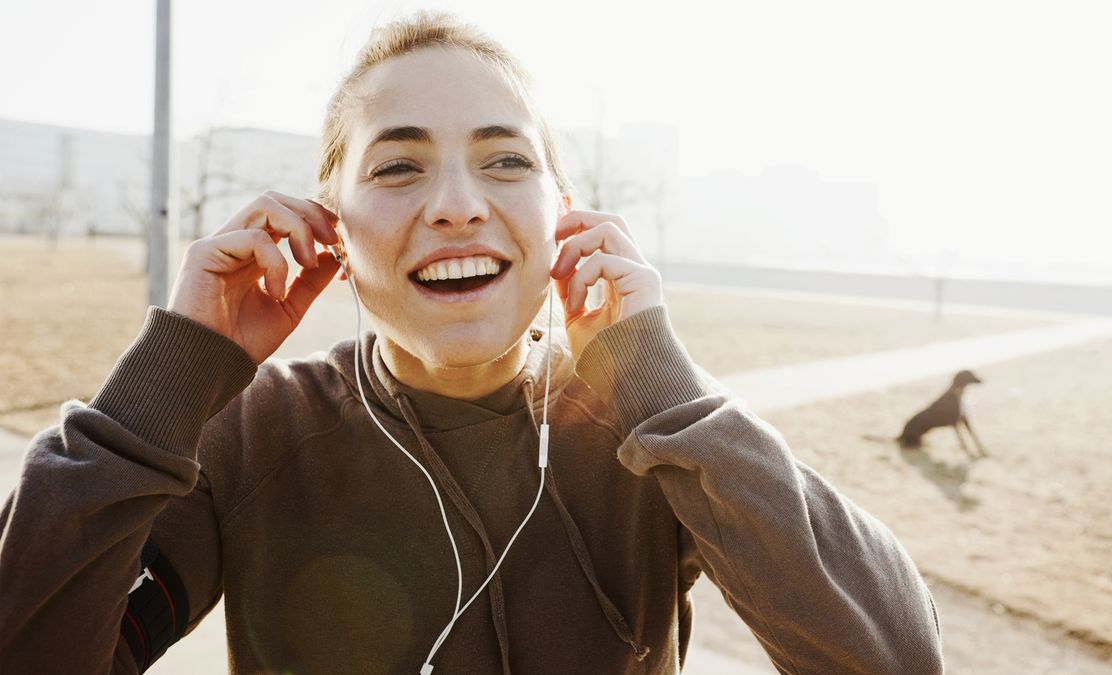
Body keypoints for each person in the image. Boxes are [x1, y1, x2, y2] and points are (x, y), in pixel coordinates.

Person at [0, 11, 943, 675]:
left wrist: (665, 388)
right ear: (330, 226)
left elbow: (895, 657)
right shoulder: (250, 435)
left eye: (505, 160)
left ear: (563, 214)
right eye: (399, 165)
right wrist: (164, 383)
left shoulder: (656, 435)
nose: (457, 204)